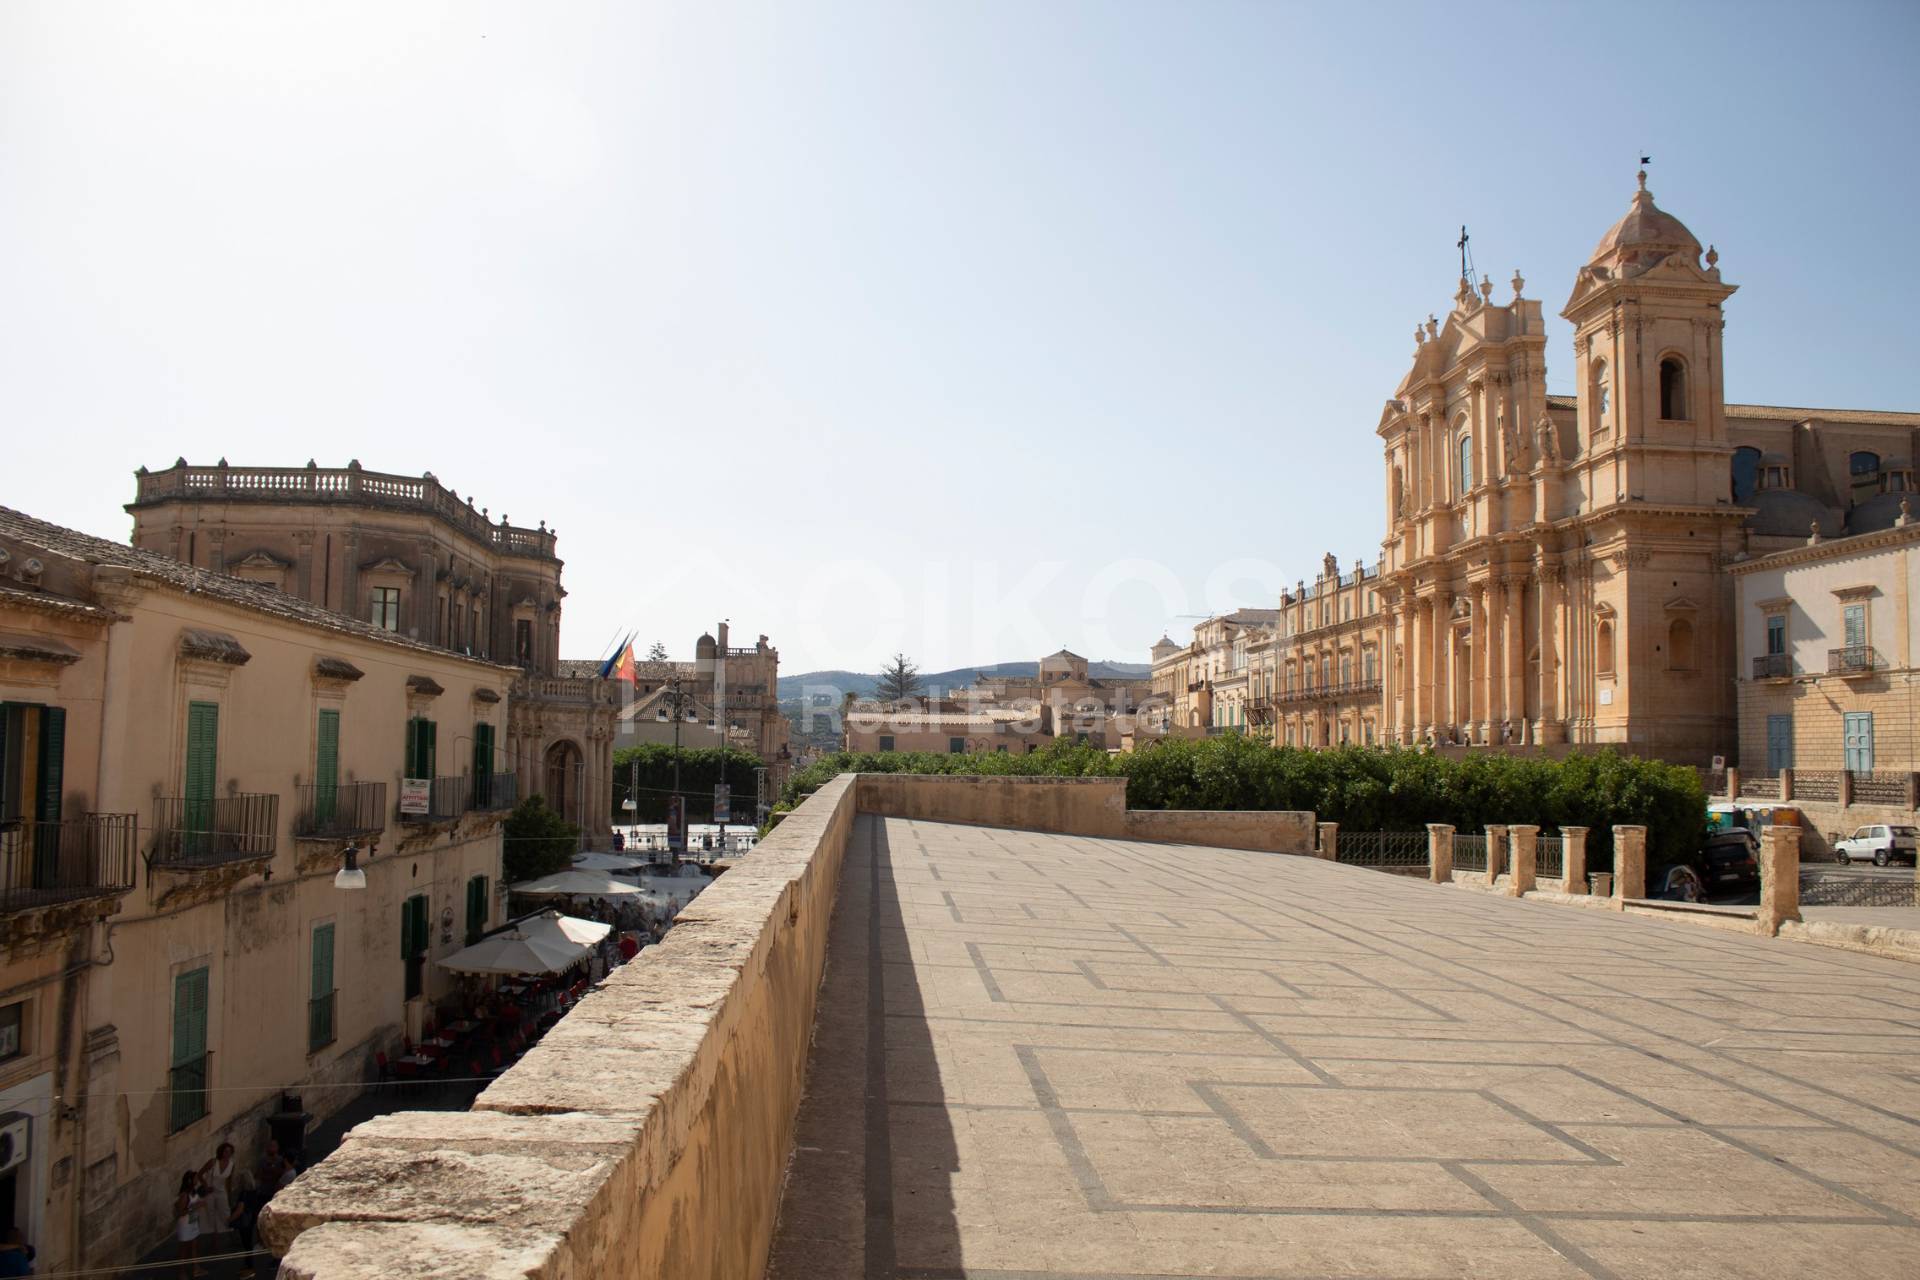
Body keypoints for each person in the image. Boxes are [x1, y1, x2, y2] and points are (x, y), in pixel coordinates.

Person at [174, 1170, 204, 1277]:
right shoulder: (184, 1195)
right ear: (190, 1180)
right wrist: (194, 1207)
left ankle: (196, 1268)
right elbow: (181, 1212)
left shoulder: (193, 1191)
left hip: (193, 1222)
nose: (197, 1179)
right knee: (184, 1250)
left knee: (194, 1247)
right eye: (195, 1178)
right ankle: (181, 1273)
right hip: (185, 1225)